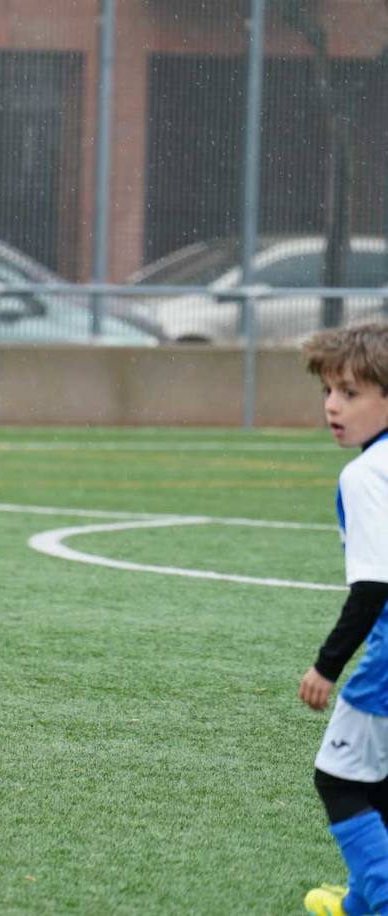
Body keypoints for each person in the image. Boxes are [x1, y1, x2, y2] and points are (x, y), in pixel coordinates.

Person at [300, 322, 388, 916]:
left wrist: (327, 666)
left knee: (338, 779)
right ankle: (360, 898)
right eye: (330, 391)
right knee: (379, 781)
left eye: (351, 393)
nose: (334, 405)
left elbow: (375, 585)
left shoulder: (366, 474)